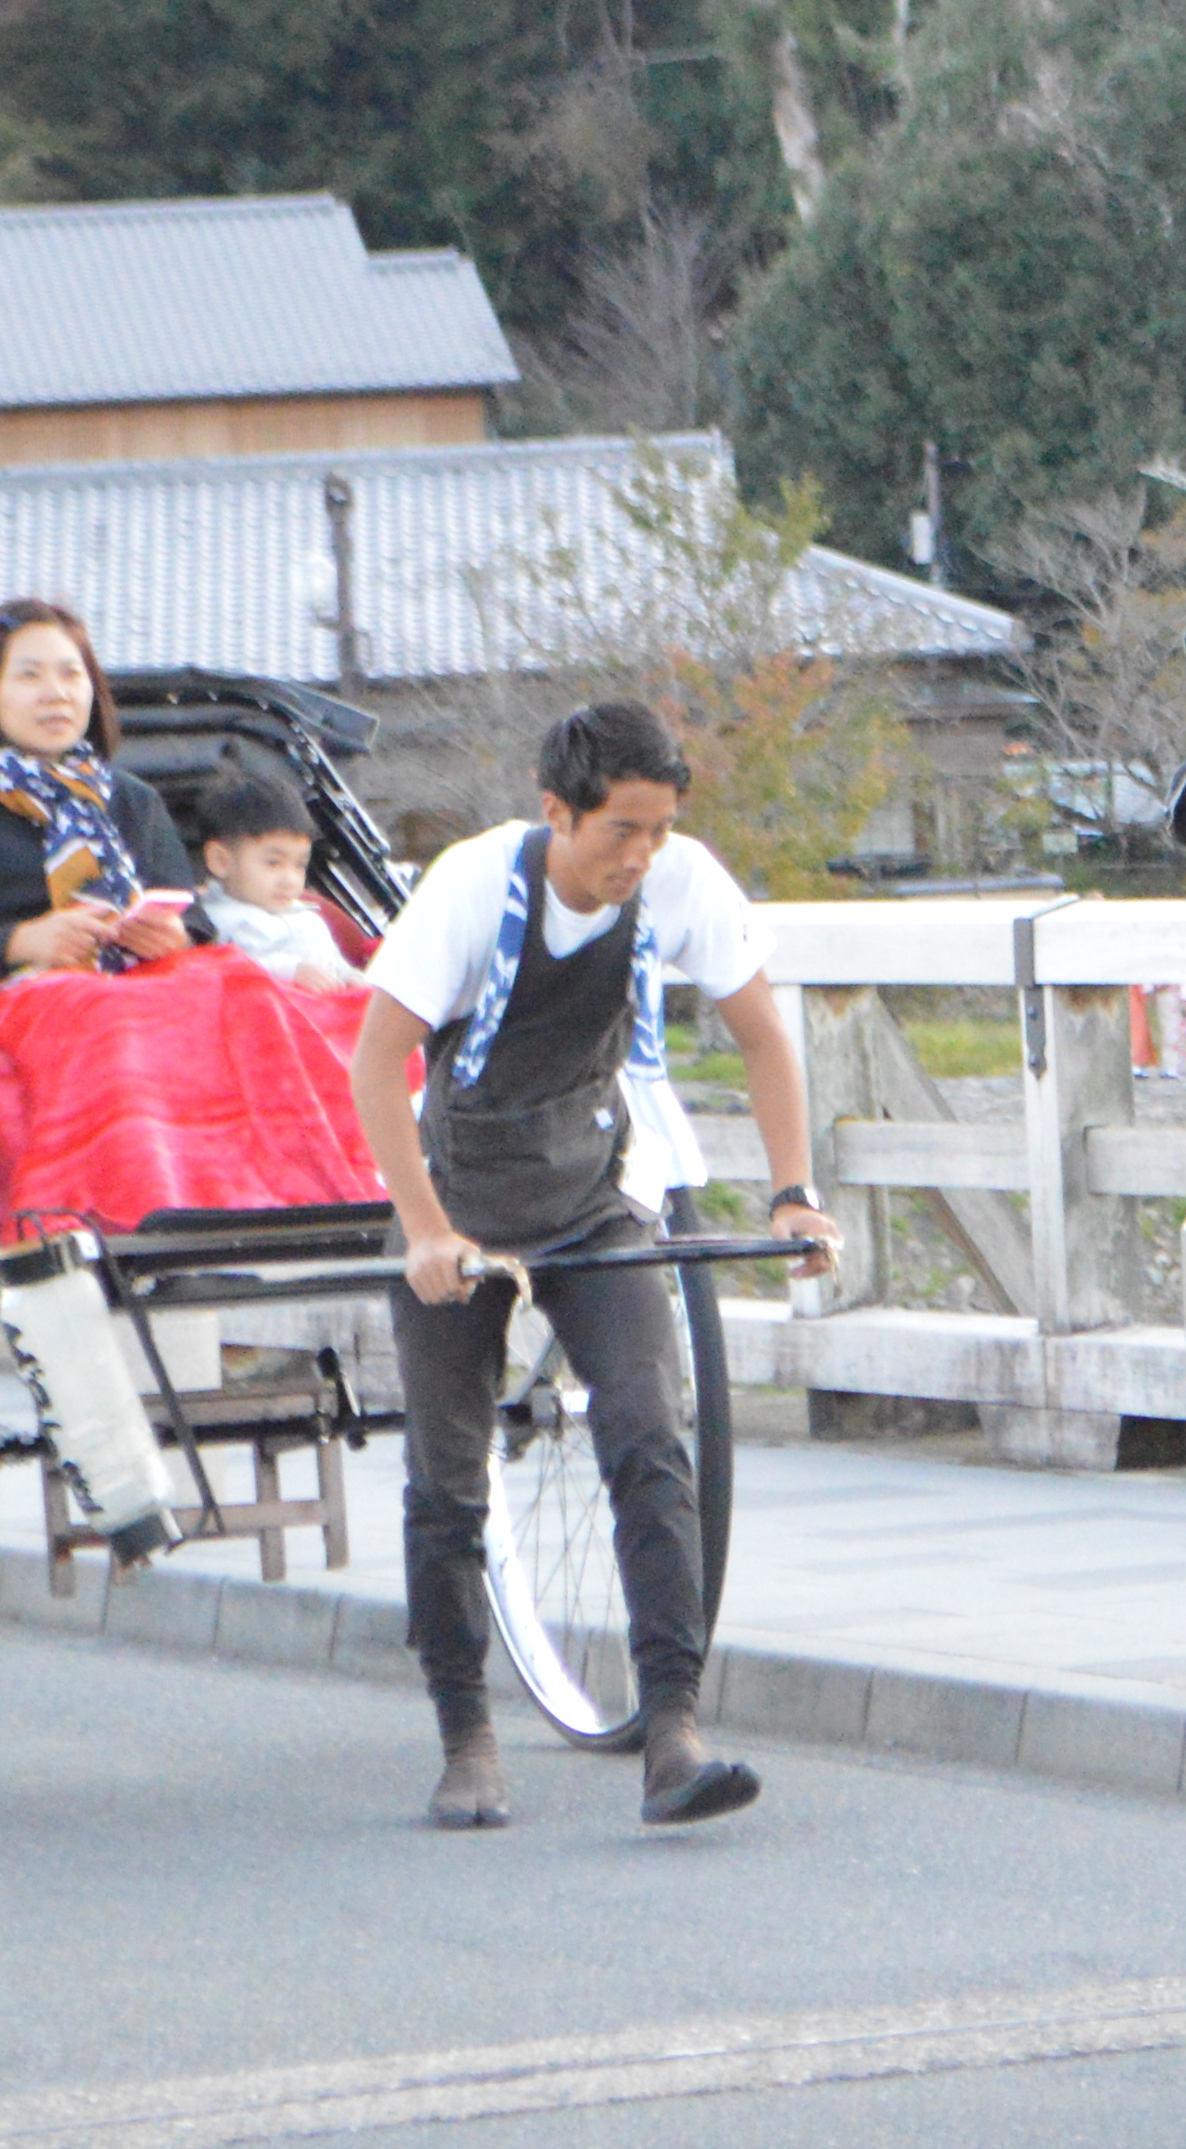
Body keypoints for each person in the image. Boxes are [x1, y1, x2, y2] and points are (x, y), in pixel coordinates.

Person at [354, 697, 842, 1831]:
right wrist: (427, 1232)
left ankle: (672, 1729)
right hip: (459, 1202)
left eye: (660, 828)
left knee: (646, 1433)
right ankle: (464, 1735)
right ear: (556, 811)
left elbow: (763, 1035)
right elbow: (377, 1067)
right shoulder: (474, 887)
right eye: (620, 829)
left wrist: (793, 1191)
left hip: (592, 1192)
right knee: (448, 1479)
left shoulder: (678, 882)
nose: (641, 855)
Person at [0, 597, 205, 983]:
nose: (56, 693)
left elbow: (196, 924)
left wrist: (176, 938)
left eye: (71, 674)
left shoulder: (135, 801)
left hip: (145, 991)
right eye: (30, 676)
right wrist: (20, 942)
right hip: (12, 1005)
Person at [182, 768, 364, 988]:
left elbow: (333, 962)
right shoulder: (214, 923)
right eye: (273, 863)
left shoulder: (309, 919)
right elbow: (227, 969)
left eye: (299, 865)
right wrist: (289, 971)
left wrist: (349, 976)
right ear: (222, 861)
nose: (290, 880)